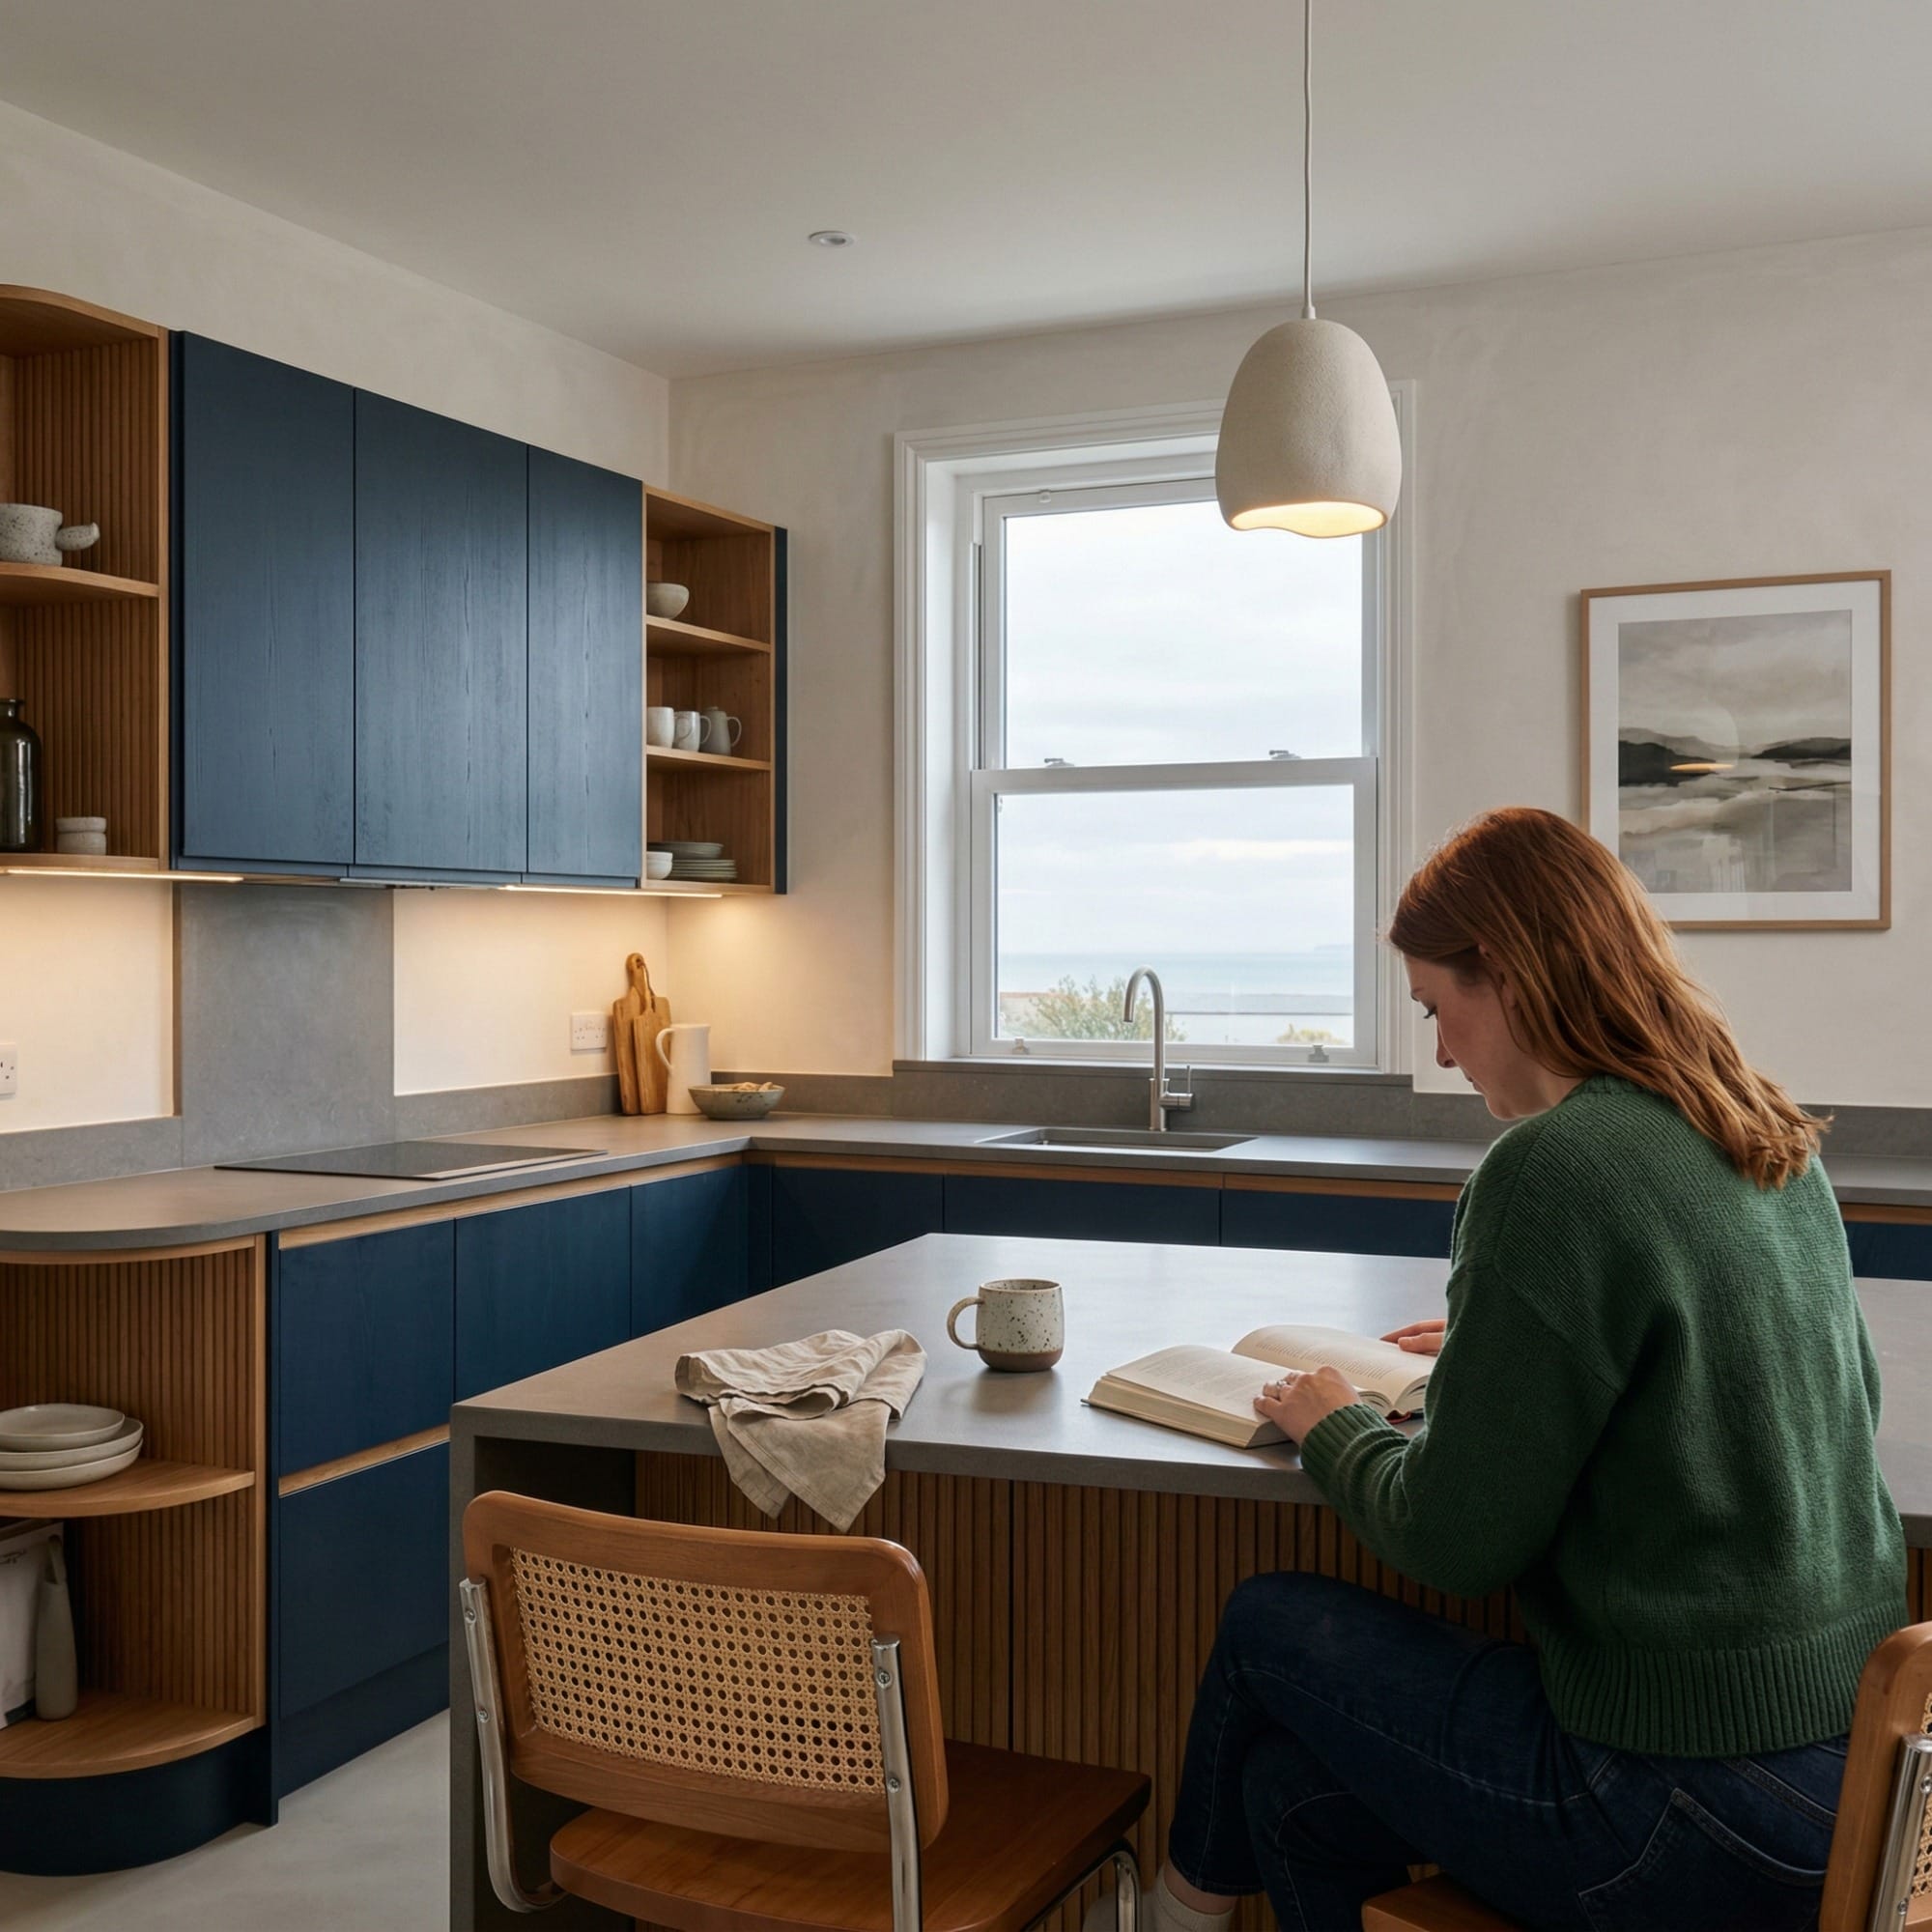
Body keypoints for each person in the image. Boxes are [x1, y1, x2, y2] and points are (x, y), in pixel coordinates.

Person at [1096, 808, 1906, 1932]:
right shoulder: (1755, 1124)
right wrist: (1503, 1353)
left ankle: (1158, 1922)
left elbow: (1453, 1539)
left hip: (1670, 1799)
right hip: (1857, 1784)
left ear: (1512, 974)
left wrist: (1333, 1421)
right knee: (1289, 1794)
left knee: (1264, 1620)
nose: (1435, 1051)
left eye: (1436, 1007)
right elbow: (1832, 1393)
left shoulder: (1550, 1168)